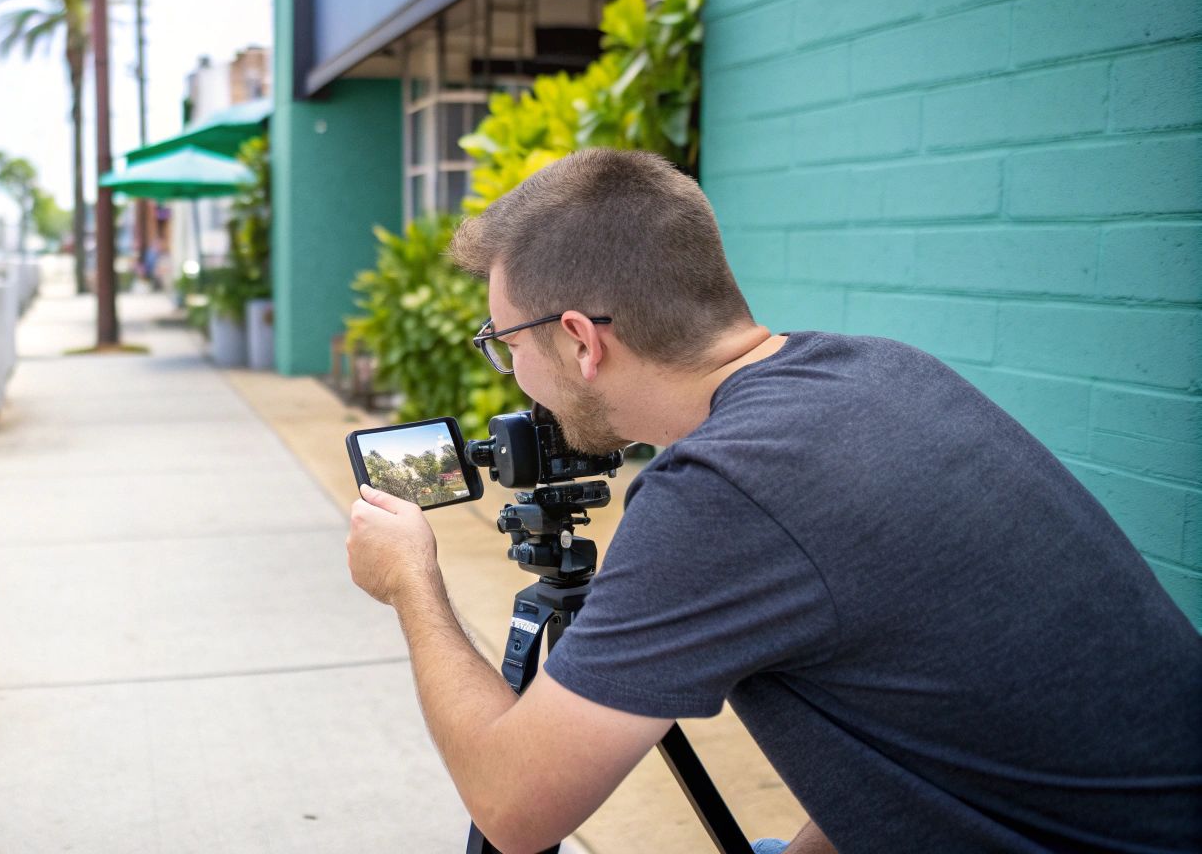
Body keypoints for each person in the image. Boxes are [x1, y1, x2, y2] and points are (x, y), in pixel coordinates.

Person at [344, 149, 1202, 854]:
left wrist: (411, 585)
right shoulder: (883, 370)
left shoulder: (720, 494)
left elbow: (513, 809)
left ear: (579, 340)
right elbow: (926, 719)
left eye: (505, 343)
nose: (513, 375)